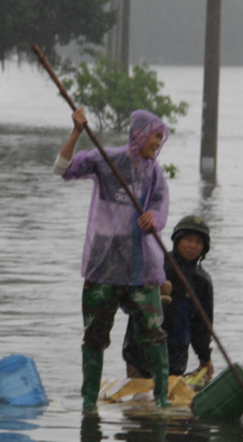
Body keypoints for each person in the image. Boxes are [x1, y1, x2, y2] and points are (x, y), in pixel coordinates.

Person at [53, 107, 171, 412]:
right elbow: (61, 169)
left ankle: (162, 398)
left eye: (161, 138)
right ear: (140, 134)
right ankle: (89, 401)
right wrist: (77, 131)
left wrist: (152, 220)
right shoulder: (107, 160)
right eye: (155, 136)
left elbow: (160, 207)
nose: (158, 143)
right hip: (104, 262)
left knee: (154, 333)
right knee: (94, 336)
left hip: (140, 265)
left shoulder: (154, 171)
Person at [122, 215, 214, 383]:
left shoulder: (202, 282)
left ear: (204, 248)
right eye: (188, 239)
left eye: (198, 242)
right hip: (140, 354)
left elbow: (202, 326)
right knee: (141, 404)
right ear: (177, 240)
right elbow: (126, 301)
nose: (192, 246)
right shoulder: (155, 265)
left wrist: (205, 358)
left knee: (166, 404)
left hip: (175, 359)